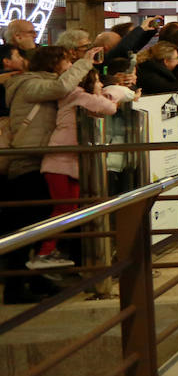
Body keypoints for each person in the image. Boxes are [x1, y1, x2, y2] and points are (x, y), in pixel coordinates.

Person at [2, 45, 99, 301]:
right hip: (26, 161)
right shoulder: (29, 83)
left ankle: (35, 281)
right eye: (67, 60)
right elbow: (61, 88)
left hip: (43, 160)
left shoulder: (48, 83)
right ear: (54, 62)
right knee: (27, 224)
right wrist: (85, 63)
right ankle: (15, 288)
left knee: (42, 222)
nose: (70, 65)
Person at [35, 67, 130, 269]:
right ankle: (44, 252)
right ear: (88, 83)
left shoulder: (78, 98)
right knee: (64, 208)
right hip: (58, 162)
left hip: (69, 163)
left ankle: (53, 251)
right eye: (98, 81)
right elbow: (109, 108)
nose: (101, 85)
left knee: (72, 208)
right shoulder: (77, 95)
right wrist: (116, 93)